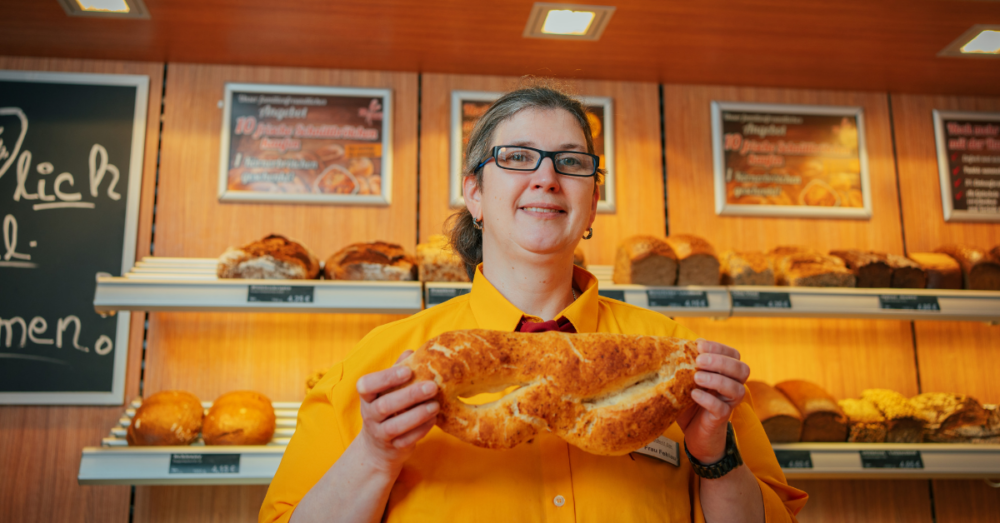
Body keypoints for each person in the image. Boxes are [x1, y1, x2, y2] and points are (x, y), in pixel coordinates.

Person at [260, 81, 808, 523]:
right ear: (474, 193)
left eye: (571, 163)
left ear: (592, 204)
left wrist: (716, 457)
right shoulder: (382, 366)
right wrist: (374, 457)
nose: (546, 178)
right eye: (518, 157)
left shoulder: (683, 364)